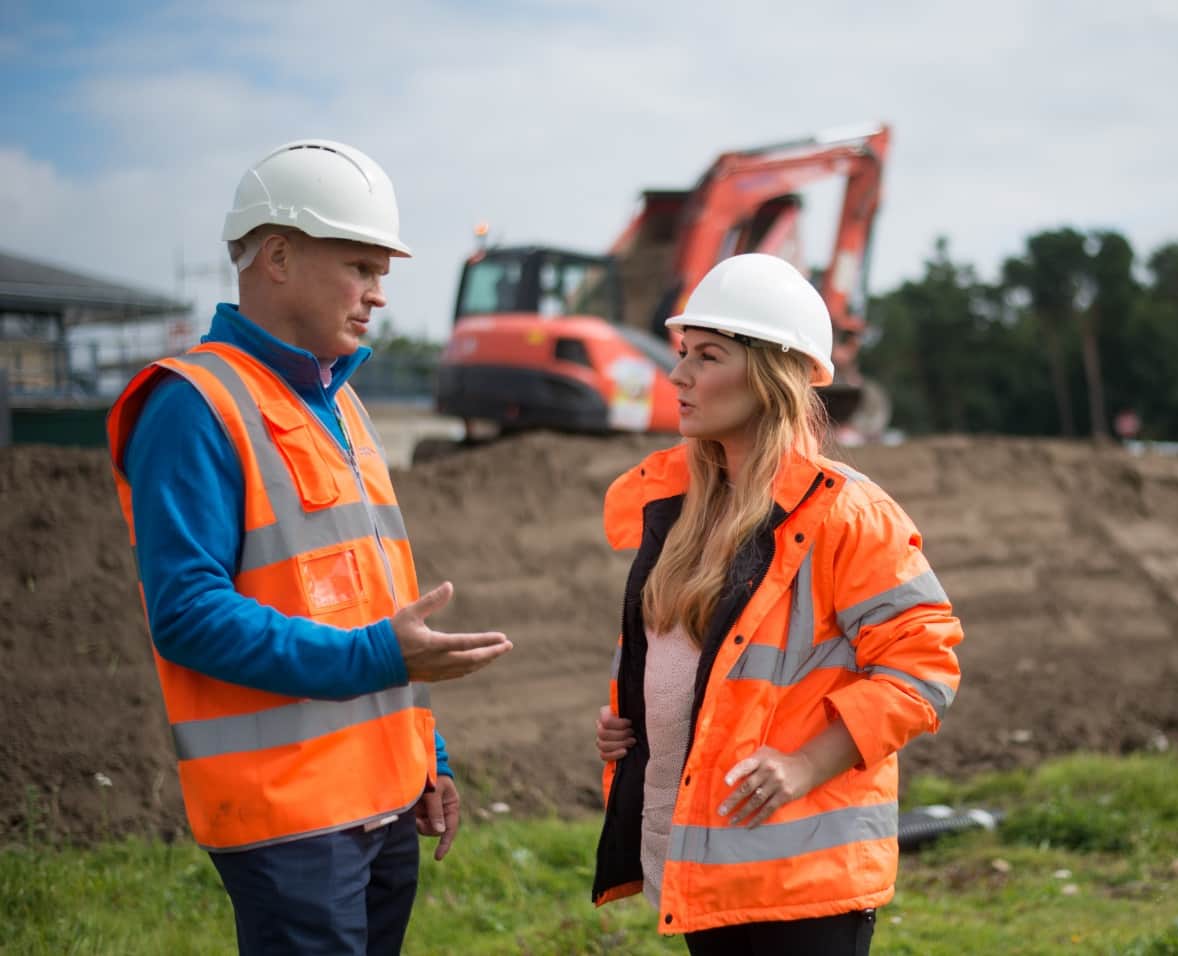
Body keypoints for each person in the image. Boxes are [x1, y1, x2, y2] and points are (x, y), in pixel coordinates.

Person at [106, 139, 513, 955]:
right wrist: (379, 660)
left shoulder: (346, 405)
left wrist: (424, 754)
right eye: (361, 267)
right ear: (280, 256)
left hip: (385, 799)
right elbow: (187, 614)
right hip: (290, 819)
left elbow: (376, 603)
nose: (377, 295)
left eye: (381, 275)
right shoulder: (193, 404)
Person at [591, 253, 964, 954]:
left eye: (708, 356)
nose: (679, 376)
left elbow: (925, 666)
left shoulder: (845, 513)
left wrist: (806, 763)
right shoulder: (680, 508)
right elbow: (696, 663)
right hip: (708, 871)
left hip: (802, 890)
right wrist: (635, 725)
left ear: (769, 377)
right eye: (683, 354)